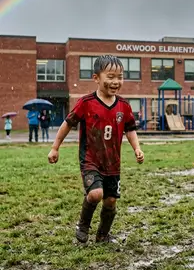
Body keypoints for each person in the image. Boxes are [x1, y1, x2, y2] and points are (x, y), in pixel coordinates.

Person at [48, 55, 144, 244]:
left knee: (110, 201)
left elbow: (130, 130)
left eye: (120, 77)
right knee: (95, 194)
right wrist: (55, 147)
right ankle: (83, 225)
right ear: (96, 78)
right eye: (110, 76)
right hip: (90, 160)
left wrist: (137, 149)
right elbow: (67, 124)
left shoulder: (124, 106)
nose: (116, 82)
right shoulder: (86, 103)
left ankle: (103, 235)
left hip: (113, 163)